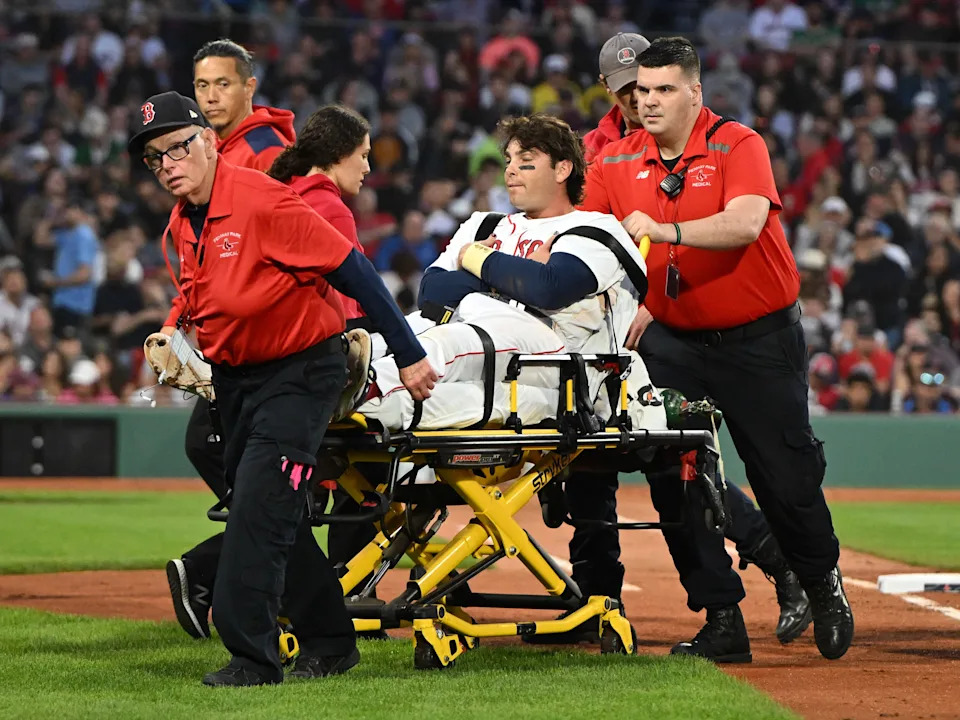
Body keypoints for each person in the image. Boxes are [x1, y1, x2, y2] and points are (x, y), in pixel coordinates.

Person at [131, 90, 436, 686]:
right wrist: (174, 331)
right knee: (281, 515)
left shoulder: (261, 199)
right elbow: (205, 296)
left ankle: (253, 657)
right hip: (237, 379)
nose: (167, 164)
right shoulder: (183, 222)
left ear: (209, 142)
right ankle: (330, 641)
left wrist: (409, 353)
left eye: (176, 148)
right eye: (154, 158)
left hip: (300, 370)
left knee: (259, 510)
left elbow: (354, 269)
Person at [580, 37, 854, 663]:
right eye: (641, 91)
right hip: (675, 341)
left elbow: (746, 223)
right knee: (676, 475)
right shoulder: (614, 160)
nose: (648, 102)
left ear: (694, 91)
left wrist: (662, 229)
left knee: (784, 478)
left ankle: (820, 583)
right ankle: (722, 616)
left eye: (662, 90)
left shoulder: (738, 143)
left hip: (759, 338)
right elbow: (583, 238)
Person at [354, 114, 660, 435]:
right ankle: (344, 380)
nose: (510, 170)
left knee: (454, 339)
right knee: (414, 328)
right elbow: (432, 294)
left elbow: (549, 288)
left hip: (558, 360)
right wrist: (508, 271)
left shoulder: (597, 228)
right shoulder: (485, 224)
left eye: (526, 161)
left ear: (562, 169)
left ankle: (367, 384)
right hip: (487, 351)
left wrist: (473, 256)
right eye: (509, 160)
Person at [167, 39, 298, 642]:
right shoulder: (213, 152)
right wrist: (176, 322)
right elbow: (199, 257)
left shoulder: (264, 154)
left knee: (226, 454)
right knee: (249, 470)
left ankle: (221, 567)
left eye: (223, 83)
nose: (212, 95)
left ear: (250, 87)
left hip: (280, 337)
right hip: (238, 336)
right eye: (202, 86)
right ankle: (269, 571)